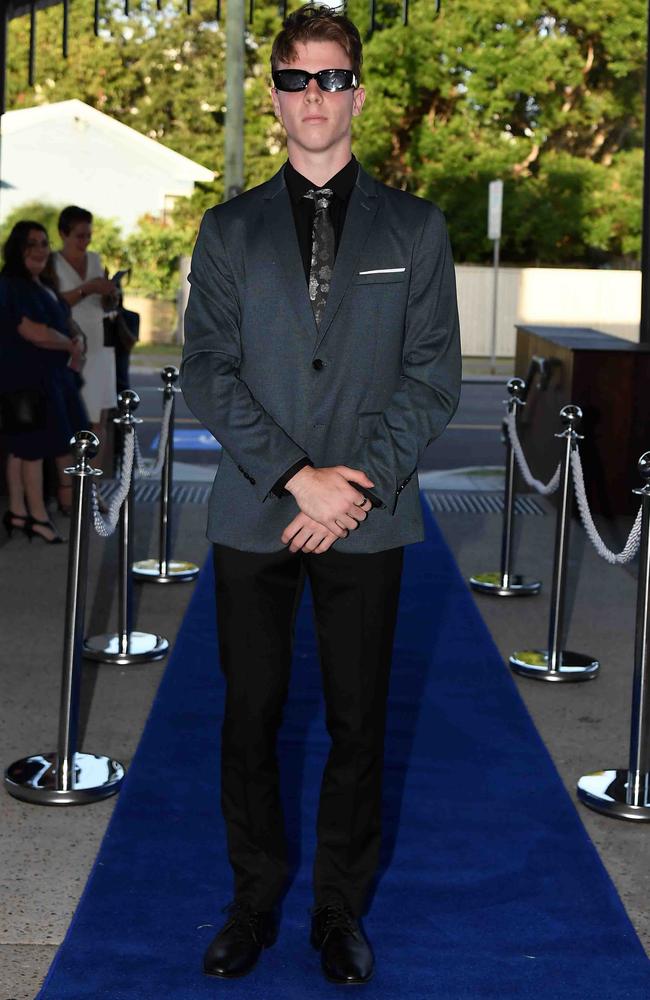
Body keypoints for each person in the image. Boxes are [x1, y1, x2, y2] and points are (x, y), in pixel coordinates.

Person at [181, 4, 461, 985]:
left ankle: (337, 910)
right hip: (257, 509)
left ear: (356, 92)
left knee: (356, 723)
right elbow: (208, 369)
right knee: (248, 716)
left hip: (369, 517)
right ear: (273, 94)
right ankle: (252, 902)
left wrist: (353, 484)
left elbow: (432, 375)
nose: (314, 96)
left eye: (330, 78)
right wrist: (293, 473)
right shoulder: (226, 231)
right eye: (296, 78)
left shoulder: (414, 229)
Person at [0, 221, 87, 544]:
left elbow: (59, 320)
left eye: (43, 243)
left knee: (20, 451)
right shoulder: (13, 285)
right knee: (32, 449)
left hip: (42, 380)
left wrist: (73, 339)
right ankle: (36, 516)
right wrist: (68, 344)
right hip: (27, 380)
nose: (39, 250)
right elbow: (31, 331)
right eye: (31, 244)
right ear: (17, 249)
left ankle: (20, 513)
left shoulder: (39, 284)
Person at [53, 206, 117, 510]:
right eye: (80, 235)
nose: (85, 241)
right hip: (71, 346)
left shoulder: (95, 259)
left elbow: (104, 303)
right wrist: (86, 289)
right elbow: (52, 301)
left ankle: (92, 487)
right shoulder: (52, 262)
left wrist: (108, 293)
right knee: (72, 420)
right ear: (63, 233)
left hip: (100, 341)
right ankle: (69, 490)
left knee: (100, 421)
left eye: (89, 235)